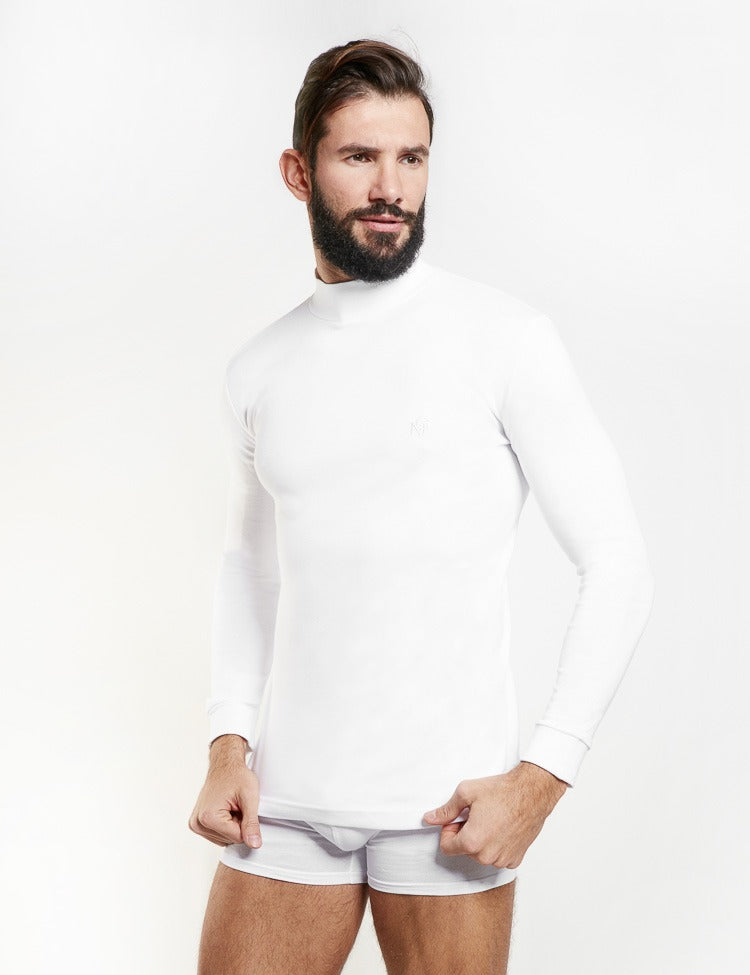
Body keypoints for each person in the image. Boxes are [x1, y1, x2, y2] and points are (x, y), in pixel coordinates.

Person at [188, 37, 655, 975]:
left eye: (412, 157)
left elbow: (617, 560)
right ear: (298, 172)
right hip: (286, 801)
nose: (390, 187)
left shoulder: (504, 339)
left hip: (449, 807)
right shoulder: (259, 368)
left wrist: (544, 775)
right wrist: (226, 742)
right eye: (360, 156)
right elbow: (252, 570)